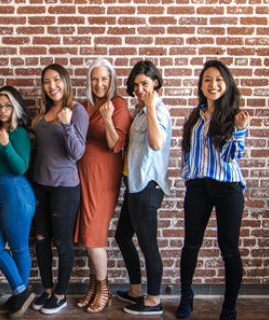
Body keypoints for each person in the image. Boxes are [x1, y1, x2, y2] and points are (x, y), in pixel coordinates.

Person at [177, 60, 249, 320]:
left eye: (218, 79)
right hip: (197, 187)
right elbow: (187, 152)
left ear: (227, 84)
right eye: (207, 79)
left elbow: (231, 157)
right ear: (201, 85)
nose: (213, 84)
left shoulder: (234, 116)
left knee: (229, 249)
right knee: (191, 245)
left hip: (227, 187)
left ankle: (229, 307)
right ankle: (186, 297)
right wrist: (188, 178)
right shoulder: (194, 116)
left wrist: (239, 131)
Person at [114, 60, 172, 316]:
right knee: (122, 237)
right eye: (136, 84)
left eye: (145, 84)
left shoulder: (157, 111)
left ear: (156, 82)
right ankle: (136, 290)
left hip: (148, 186)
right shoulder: (140, 110)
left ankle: (154, 300)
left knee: (149, 245)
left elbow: (157, 143)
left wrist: (149, 107)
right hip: (135, 184)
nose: (139, 89)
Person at [30, 64, 89, 315]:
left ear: (65, 82)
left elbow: (77, 153)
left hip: (65, 187)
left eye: (56, 80)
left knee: (62, 243)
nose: (51, 86)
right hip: (40, 185)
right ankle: (48, 289)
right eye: (46, 81)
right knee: (41, 240)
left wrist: (66, 125)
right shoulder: (43, 112)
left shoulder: (77, 111)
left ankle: (62, 294)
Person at [74, 59, 131, 313]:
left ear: (112, 81)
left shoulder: (117, 105)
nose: (99, 84)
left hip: (103, 178)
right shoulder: (85, 105)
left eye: (104, 79)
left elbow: (115, 144)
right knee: (87, 235)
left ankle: (104, 288)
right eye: (95, 79)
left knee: (95, 236)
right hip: (83, 178)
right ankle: (94, 287)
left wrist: (107, 119)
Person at [0, 86, 36, 319]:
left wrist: (6, 144)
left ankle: (18, 297)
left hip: (16, 192)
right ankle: (21, 293)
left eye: (7, 105)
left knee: (19, 247)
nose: (2, 109)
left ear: (16, 107)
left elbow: (21, 167)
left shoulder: (19, 133)